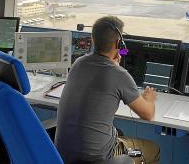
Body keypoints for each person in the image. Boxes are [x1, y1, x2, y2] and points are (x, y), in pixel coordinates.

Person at [55, 16, 160, 164]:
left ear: (93, 38)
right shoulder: (119, 75)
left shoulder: (78, 63)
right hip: (98, 159)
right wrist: (149, 98)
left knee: (119, 132)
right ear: (119, 43)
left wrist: (114, 69)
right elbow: (148, 114)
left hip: (63, 156)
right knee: (153, 149)